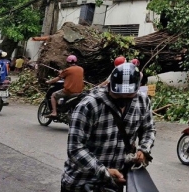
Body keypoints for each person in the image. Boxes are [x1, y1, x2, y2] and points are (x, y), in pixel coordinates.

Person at [61, 62, 155, 192]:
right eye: (118, 95)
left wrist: (144, 150)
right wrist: (104, 171)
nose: (123, 98)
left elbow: (149, 129)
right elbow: (75, 148)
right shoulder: (89, 105)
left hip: (115, 184)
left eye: (128, 96)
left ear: (137, 88)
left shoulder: (142, 101)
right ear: (109, 85)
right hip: (82, 183)